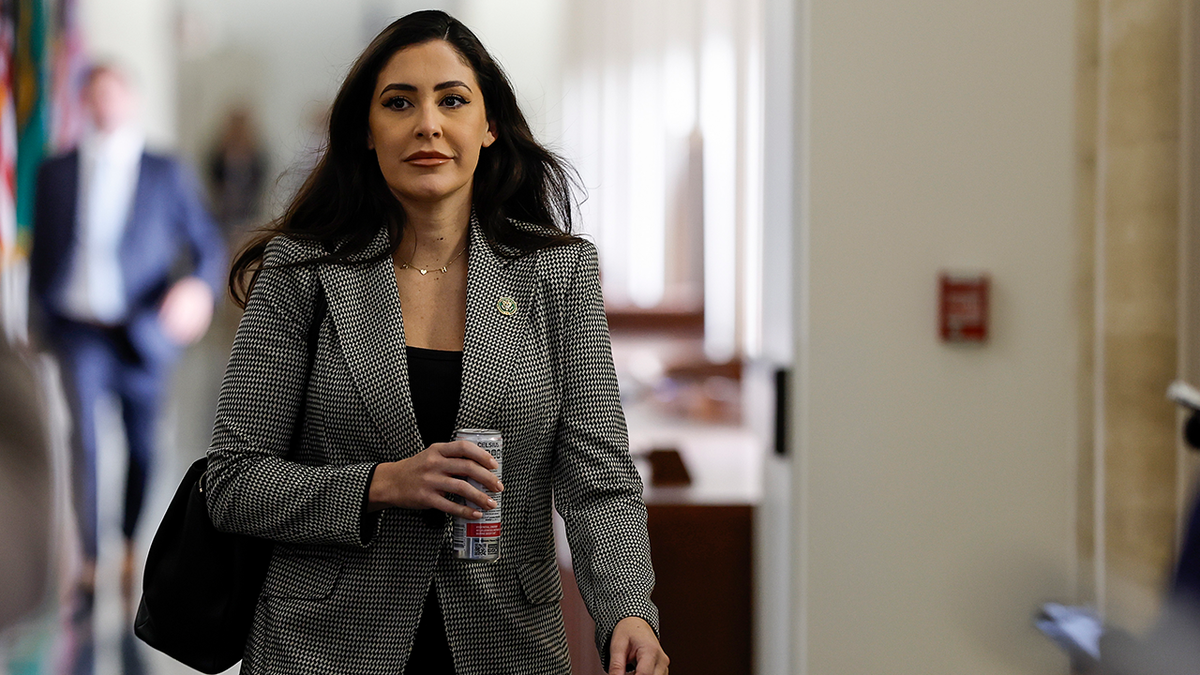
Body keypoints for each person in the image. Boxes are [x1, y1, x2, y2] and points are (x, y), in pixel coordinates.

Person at [205, 10, 668, 675]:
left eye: (452, 100)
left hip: (505, 643)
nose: (427, 123)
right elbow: (233, 481)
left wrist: (626, 607)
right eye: (400, 102)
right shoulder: (301, 272)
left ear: (488, 127)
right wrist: (382, 483)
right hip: (322, 645)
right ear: (367, 131)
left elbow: (599, 480)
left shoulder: (558, 275)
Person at [28, 64, 226, 616]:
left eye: (113, 96)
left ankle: (130, 549)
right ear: (84, 103)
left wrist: (195, 291)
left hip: (143, 333)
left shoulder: (165, 171)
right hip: (78, 330)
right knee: (85, 442)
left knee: (141, 447)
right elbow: (41, 247)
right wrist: (39, 316)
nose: (104, 107)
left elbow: (207, 246)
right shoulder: (56, 171)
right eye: (95, 97)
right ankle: (89, 565)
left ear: (131, 101)